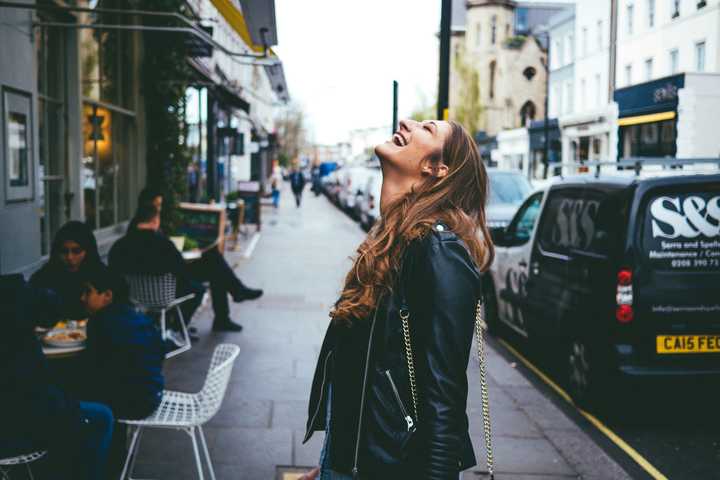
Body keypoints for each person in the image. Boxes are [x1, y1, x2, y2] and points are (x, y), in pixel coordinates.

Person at [301, 119, 495, 479]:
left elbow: (444, 400)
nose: (406, 122)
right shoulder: (395, 241)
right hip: (356, 463)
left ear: (437, 168)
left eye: (427, 128)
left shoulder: (437, 251)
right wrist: (334, 461)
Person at [0, 274, 114, 480]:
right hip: (14, 433)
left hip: (16, 417)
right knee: (101, 416)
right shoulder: (17, 342)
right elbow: (38, 399)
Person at [109, 203, 259, 332]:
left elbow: (114, 273)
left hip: (133, 296)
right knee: (211, 269)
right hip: (166, 295)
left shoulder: (118, 246)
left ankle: (234, 297)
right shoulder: (163, 244)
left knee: (214, 263)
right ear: (155, 220)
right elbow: (180, 269)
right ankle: (180, 327)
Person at [81, 264, 165, 420]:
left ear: (107, 295)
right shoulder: (137, 316)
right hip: (153, 394)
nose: (82, 298)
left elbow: (94, 367)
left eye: (87, 292)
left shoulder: (100, 322)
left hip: (128, 405)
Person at [30, 221, 105, 320]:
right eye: (64, 251)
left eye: (76, 251)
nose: (69, 257)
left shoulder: (103, 277)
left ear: (88, 251)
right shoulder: (43, 278)